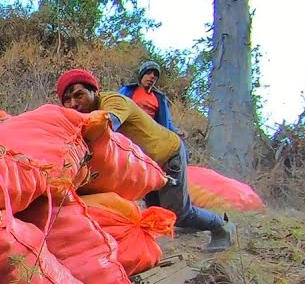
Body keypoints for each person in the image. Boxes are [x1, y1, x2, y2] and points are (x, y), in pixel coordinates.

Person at [56, 68, 235, 252]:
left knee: (178, 214)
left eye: (79, 95)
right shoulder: (84, 117)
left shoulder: (113, 101)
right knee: (156, 214)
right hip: (147, 168)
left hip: (168, 155)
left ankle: (222, 226)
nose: (73, 104)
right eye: (67, 100)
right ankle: (186, 225)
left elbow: (107, 125)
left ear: (94, 91)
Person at [119, 60, 177, 133]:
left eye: (155, 75)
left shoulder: (160, 98)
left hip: (148, 134)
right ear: (142, 75)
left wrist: (177, 131)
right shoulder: (127, 90)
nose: (152, 76)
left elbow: (167, 122)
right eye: (148, 73)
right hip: (126, 129)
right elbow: (116, 105)